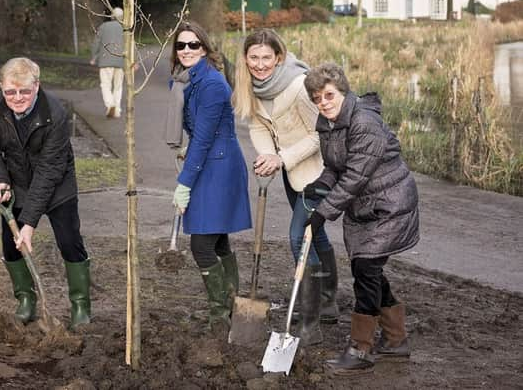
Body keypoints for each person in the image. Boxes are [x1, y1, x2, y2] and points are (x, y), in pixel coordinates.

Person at [302, 62, 420, 374]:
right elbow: (336, 166)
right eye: (317, 98)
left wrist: (322, 214)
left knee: (366, 268)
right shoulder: (328, 123)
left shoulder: (364, 122)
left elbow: (355, 175)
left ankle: (361, 348)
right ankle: (396, 340)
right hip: (364, 207)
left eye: (328, 95)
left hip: (389, 205)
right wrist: (321, 184)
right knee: (365, 268)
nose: (323, 102)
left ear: (342, 91)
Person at [232, 28, 339, 345]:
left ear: (279, 58)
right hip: (293, 173)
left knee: (298, 238)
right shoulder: (251, 86)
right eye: (254, 57)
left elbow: (322, 133)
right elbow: (258, 124)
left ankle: (310, 322)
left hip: (320, 173)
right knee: (315, 233)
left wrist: (281, 157)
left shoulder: (299, 86)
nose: (260, 64)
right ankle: (329, 298)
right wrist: (266, 154)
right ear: (246, 59)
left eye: (267, 57)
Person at [0, 57, 91, 330]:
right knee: (10, 245)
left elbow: (49, 170)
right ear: (2, 88)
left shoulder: (55, 114)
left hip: (57, 183)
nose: (17, 98)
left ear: (37, 86)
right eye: (10, 92)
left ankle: (80, 306)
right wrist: (0, 178)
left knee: (70, 241)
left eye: (25, 91)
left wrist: (28, 224)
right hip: (16, 183)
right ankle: (26, 300)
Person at [165, 21, 252, 337]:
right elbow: (198, 135)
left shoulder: (212, 84)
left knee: (202, 243)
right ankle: (232, 306)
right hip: (208, 163)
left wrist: (184, 183)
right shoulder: (185, 81)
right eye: (181, 45)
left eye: (193, 45)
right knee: (217, 239)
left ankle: (221, 314)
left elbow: (203, 139)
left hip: (218, 168)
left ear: (205, 49)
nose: (186, 50)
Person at [90, 7, 124, 118]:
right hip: (120, 61)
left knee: (105, 85)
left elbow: (97, 42)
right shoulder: (125, 28)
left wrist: (94, 56)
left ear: (112, 16)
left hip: (105, 61)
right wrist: (134, 61)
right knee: (118, 86)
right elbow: (130, 44)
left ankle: (110, 105)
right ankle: (117, 109)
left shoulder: (103, 27)